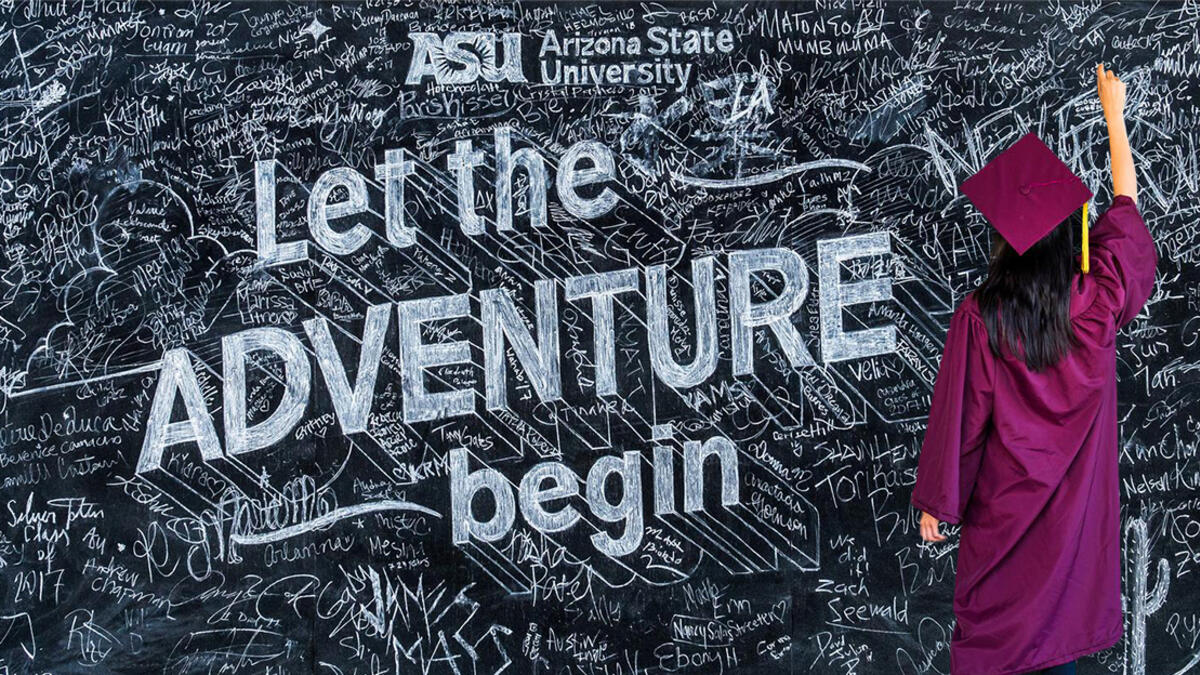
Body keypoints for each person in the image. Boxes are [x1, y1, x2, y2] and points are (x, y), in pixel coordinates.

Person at [909, 64, 1158, 675]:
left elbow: (960, 424)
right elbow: (1126, 210)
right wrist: (1113, 114)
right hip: (1070, 541)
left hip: (1005, 532)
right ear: (1072, 236)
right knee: (1057, 649)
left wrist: (938, 503)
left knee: (1000, 649)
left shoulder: (982, 317)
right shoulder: (1096, 307)